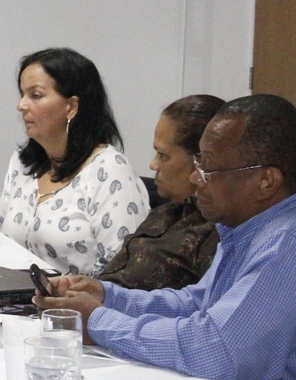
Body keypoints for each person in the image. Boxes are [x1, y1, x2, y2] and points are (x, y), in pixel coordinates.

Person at [34, 94, 296, 380]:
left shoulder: (290, 243)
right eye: (198, 162)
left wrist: (100, 322)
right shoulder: (259, 223)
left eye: (209, 169)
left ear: (266, 181)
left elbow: (217, 351)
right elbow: (198, 303)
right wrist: (108, 298)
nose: (196, 178)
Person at [0, 48, 149, 275]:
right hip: (13, 292)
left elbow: (122, 268)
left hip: (79, 297)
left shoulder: (109, 168)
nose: (21, 105)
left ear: (72, 106)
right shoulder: (22, 163)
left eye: (35, 95)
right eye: (22, 94)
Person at [95, 94, 224, 291]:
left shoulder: (217, 234)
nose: (153, 164)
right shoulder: (164, 212)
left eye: (163, 155)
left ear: (201, 161)